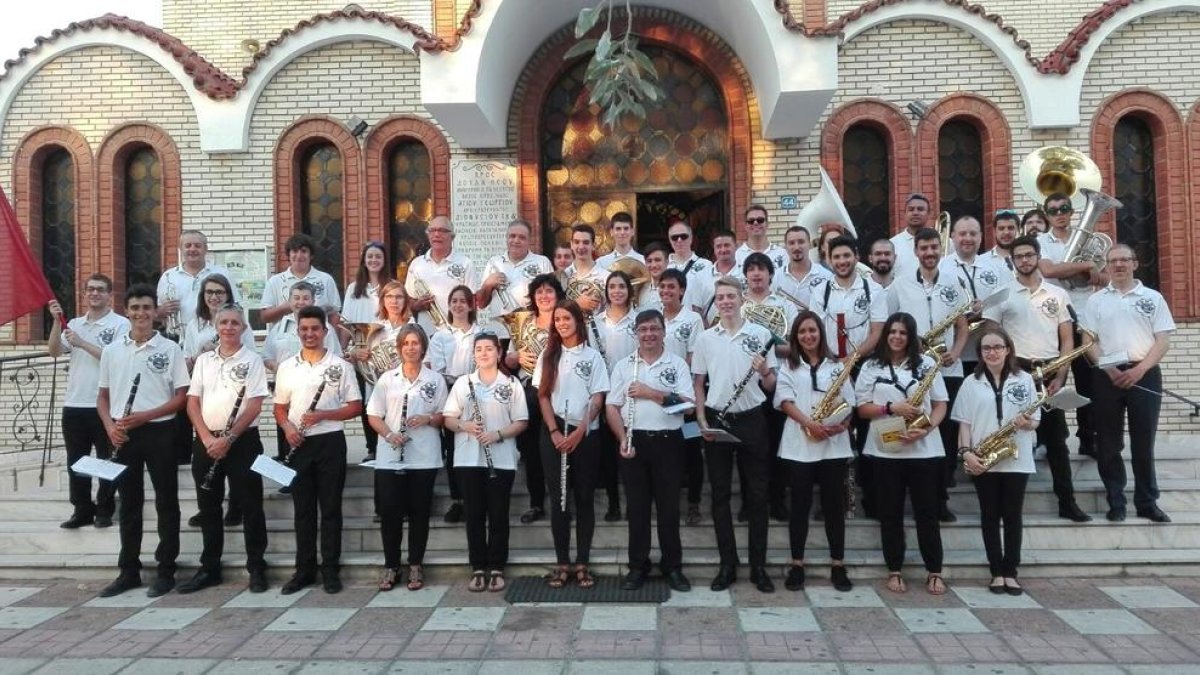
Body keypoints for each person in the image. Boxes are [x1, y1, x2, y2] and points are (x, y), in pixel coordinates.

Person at [982, 235, 1091, 522]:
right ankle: (1007, 507)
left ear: (1037, 256)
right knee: (1012, 436)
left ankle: (1067, 502)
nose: (1025, 260)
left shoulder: (1058, 294)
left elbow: (1067, 339)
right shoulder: (1002, 293)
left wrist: (1062, 373)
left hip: (1051, 371)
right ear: (1012, 260)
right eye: (1019, 256)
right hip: (1015, 371)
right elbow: (992, 338)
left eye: (1030, 255)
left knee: (1056, 441)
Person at [96, 284, 190, 598]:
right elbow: (103, 398)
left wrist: (145, 416)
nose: (140, 313)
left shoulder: (170, 349)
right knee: (129, 504)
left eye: (146, 308)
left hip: (160, 432)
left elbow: (180, 399)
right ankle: (129, 571)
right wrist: (110, 426)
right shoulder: (113, 350)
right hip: (124, 432)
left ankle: (166, 570)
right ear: (127, 311)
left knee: (166, 501)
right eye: (135, 308)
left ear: (155, 312)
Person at [178, 304, 270, 594]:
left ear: (243, 328)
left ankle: (256, 567)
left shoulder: (253, 360)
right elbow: (192, 402)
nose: (229, 327)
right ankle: (210, 569)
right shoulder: (204, 360)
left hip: (242, 442)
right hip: (206, 441)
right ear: (216, 327)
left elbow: (254, 404)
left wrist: (228, 439)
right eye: (224, 322)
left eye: (235, 323)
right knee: (209, 508)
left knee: (251, 507)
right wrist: (206, 438)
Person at [695, 276, 779, 593]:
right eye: (721, 298)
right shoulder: (705, 339)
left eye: (731, 296)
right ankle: (727, 564)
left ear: (742, 299)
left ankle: (758, 566)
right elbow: (698, 383)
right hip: (718, 418)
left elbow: (771, 387)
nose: (726, 302)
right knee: (719, 496)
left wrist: (765, 371)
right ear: (716, 303)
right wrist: (702, 419)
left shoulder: (759, 334)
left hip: (753, 419)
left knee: (757, 496)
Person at [855, 312, 949, 596]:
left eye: (903, 333)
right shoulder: (871, 365)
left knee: (927, 514)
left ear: (910, 337)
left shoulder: (928, 364)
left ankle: (934, 571)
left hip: (923, 449)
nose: (897, 337)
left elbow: (941, 403)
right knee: (890, 514)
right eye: (892, 332)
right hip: (886, 449)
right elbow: (861, 408)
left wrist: (927, 429)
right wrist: (891, 409)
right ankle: (894, 570)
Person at [273, 306, 363, 594]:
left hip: (330, 443)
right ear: (298, 332)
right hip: (298, 443)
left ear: (325, 332)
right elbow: (279, 408)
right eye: (304, 329)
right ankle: (304, 571)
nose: (309, 334)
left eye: (315, 329)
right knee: (303, 511)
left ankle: (331, 570)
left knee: (331, 509)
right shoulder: (287, 367)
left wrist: (325, 414)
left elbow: (355, 407)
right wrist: (287, 428)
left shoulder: (341, 366)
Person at [1083, 244, 1175, 523]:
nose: (1119, 265)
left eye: (1124, 260)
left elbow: (1163, 340)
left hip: (1144, 373)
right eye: (1113, 261)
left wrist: (1141, 370)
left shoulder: (1153, 297)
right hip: (1107, 376)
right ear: (1106, 267)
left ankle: (1147, 502)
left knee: (1143, 441)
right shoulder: (1095, 301)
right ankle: (1116, 501)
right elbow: (1088, 342)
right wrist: (1109, 369)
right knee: (1109, 442)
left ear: (1135, 263)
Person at [606, 309, 695, 593]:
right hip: (634, 441)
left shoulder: (677, 364)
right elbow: (612, 407)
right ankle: (637, 567)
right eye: (643, 330)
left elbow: (688, 405)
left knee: (669, 509)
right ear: (636, 333)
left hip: (669, 442)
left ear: (663, 331)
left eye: (654, 329)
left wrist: (650, 393)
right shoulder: (623, 366)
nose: (648, 334)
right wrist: (621, 438)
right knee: (638, 509)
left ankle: (673, 567)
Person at [889, 227, 969, 523]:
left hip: (948, 368)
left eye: (935, 247)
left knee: (945, 435)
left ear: (941, 248)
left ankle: (941, 498)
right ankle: (912, 495)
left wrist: (957, 352)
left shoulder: (954, 282)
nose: (930, 252)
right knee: (914, 428)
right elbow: (891, 327)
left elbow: (962, 326)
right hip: (913, 370)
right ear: (916, 251)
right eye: (924, 248)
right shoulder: (900, 285)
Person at [954, 326, 1039, 596]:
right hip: (983, 457)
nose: (992, 352)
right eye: (986, 348)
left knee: (1012, 516)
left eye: (997, 347)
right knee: (990, 516)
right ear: (980, 353)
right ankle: (996, 572)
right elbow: (964, 424)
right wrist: (966, 453)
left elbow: (1036, 421)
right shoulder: (971, 382)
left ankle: (1011, 571)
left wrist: (1027, 424)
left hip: (1016, 457)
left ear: (1008, 350)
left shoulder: (1024, 379)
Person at [775, 310, 855, 592]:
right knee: (799, 507)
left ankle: (838, 563)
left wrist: (840, 424)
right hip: (799, 445)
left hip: (833, 446)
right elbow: (785, 401)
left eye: (812, 330)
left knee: (834, 507)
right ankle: (797, 564)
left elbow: (849, 401)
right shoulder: (788, 366)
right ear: (796, 337)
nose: (808, 336)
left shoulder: (837, 365)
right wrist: (810, 424)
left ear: (821, 333)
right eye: (802, 332)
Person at [443, 333, 530, 592]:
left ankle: (497, 567)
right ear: (473, 354)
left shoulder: (512, 384)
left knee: (499, 515)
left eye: (489, 349)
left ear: (499, 353)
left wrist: (497, 434)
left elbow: (522, 421)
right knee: (474, 515)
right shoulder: (462, 383)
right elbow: (448, 418)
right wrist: (465, 425)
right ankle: (478, 567)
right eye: (479, 349)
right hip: (468, 458)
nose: (483, 353)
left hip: (501, 460)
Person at [534, 300, 610, 588]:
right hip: (554, 431)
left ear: (578, 321)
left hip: (585, 434)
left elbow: (598, 398)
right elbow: (542, 396)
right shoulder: (548, 355)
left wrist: (581, 429)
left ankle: (583, 562)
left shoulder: (592, 357)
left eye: (567, 318)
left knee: (584, 498)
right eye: (558, 319)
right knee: (559, 499)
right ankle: (562, 562)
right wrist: (554, 431)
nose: (562, 323)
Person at [367, 324, 448, 591]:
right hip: (391, 456)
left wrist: (427, 418)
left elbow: (445, 417)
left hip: (423, 456)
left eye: (415, 343)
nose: (411, 348)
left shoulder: (434, 379)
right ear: (399, 348)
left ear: (423, 347)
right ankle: (391, 565)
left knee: (419, 514)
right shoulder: (387, 379)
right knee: (390, 513)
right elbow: (373, 416)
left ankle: (415, 564)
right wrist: (390, 435)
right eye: (406, 344)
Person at [810, 236, 888, 516]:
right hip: (829, 367)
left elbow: (878, 332)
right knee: (830, 429)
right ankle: (831, 500)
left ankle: (872, 499)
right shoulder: (820, 291)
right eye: (836, 257)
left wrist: (851, 360)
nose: (842, 262)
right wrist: (833, 361)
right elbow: (815, 331)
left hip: (864, 366)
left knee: (867, 433)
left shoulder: (874, 289)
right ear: (829, 260)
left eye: (846, 256)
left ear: (856, 256)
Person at [48, 274, 129, 529]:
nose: (94, 294)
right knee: (77, 460)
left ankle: (104, 508)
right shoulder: (73, 323)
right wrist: (55, 323)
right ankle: (82, 509)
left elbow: (116, 359)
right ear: (84, 293)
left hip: (104, 404)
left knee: (107, 459)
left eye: (100, 290)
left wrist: (82, 343)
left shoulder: (120, 324)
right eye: (90, 289)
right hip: (74, 402)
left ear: (109, 295)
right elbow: (54, 351)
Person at [181, 274, 255, 527]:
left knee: (242, 482)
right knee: (209, 490)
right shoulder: (194, 325)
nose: (214, 296)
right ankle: (209, 512)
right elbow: (188, 358)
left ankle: (235, 507)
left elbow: (248, 358)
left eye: (219, 292)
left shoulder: (240, 322)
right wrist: (200, 357)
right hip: (207, 395)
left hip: (237, 417)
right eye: (209, 292)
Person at [1037, 192, 1103, 458]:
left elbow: (1103, 277)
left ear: (1071, 211)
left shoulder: (1090, 239)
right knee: (1051, 382)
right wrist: (1086, 265)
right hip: (1054, 321)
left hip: (1086, 321)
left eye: (1064, 208)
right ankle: (1049, 440)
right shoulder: (1041, 241)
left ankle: (1089, 438)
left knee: (1090, 383)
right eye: (1053, 210)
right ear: (1046, 214)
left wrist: (1088, 270)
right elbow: (1049, 271)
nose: (1059, 213)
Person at [505, 274, 565, 524]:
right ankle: (536, 503)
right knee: (532, 450)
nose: (543, 296)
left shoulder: (565, 318)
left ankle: (562, 502)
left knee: (560, 447)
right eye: (538, 292)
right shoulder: (523, 321)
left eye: (549, 291)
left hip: (559, 390)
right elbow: (507, 360)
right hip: (529, 390)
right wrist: (517, 357)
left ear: (557, 294)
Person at [428, 284, 482, 523]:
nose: (459, 305)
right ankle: (457, 499)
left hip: (477, 393)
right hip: (449, 393)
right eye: (454, 301)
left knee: (476, 444)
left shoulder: (481, 333)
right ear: (449, 306)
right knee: (452, 448)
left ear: (471, 305)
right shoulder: (440, 335)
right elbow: (439, 369)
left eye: (463, 300)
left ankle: (476, 498)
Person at [658, 269, 705, 525]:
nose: (666, 291)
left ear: (682, 290)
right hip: (659, 397)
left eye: (671, 287)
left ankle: (694, 503)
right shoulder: (654, 317)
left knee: (691, 451)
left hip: (685, 397)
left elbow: (693, 358)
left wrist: (678, 388)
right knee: (668, 453)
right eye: (662, 287)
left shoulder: (693, 319)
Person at [343, 242, 394, 460]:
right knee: (367, 402)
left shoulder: (392, 286)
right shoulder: (353, 289)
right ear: (364, 260)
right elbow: (346, 324)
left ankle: (389, 442)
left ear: (384, 261)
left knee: (389, 400)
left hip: (387, 353)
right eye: (370, 256)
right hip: (362, 353)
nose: (374, 260)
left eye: (378, 257)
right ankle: (372, 448)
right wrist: (348, 352)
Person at [596, 270, 638, 521]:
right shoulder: (595, 322)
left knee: (632, 449)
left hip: (633, 391)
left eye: (622, 286)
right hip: (606, 391)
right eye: (612, 287)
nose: (617, 291)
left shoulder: (638, 320)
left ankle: (635, 501)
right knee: (609, 452)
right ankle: (613, 503)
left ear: (629, 290)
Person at [156, 229, 239, 339]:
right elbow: (157, 314)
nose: (192, 249)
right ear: (181, 249)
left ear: (206, 249)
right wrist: (162, 311)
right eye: (188, 245)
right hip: (177, 339)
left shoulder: (222, 273)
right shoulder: (168, 276)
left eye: (197, 245)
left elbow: (235, 306)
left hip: (214, 338)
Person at [406, 216, 478, 336]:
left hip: (457, 333)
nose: (436, 234)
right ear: (428, 235)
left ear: (452, 236)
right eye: (432, 231)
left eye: (442, 230)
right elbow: (409, 300)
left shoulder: (465, 263)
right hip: (425, 334)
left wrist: (469, 333)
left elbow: (473, 302)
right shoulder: (416, 264)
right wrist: (417, 305)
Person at [477, 219, 554, 325]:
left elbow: (552, 298)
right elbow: (481, 304)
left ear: (529, 240)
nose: (516, 240)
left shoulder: (542, 262)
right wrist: (487, 285)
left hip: (532, 330)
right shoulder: (493, 263)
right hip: (500, 332)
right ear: (506, 238)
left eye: (522, 237)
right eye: (512, 236)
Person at [261, 233, 341, 326]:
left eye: (304, 251)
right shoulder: (275, 281)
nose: (299, 256)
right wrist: (285, 308)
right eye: (294, 251)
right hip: (284, 338)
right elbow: (264, 317)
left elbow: (334, 315)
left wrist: (334, 339)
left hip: (318, 338)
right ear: (288, 255)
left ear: (311, 255)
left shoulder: (325, 279)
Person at [666, 219, 715, 314]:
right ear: (669, 240)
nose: (679, 240)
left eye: (684, 236)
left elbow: (711, 296)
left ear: (691, 238)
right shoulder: (664, 266)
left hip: (697, 322)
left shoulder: (706, 265)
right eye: (674, 237)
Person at [779, 225, 831, 313]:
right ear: (786, 247)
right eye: (791, 243)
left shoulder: (827, 276)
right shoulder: (775, 277)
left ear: (809, 245)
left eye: (801, 242)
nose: (796, 247)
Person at [565, 224, 609, 314]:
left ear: (593, 245)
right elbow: (556, 309)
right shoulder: (563, 276)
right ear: (571, 245)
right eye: (577, 242)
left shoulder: (606, 277)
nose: (581, 247)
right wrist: (576, 303)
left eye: (586, 242)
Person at [735, 205, 788, 273]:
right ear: (745, 226)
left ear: (767, 224)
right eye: (751, 221)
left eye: (760, 220)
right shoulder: (736, 256)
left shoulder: (782, 254)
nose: (755, 223)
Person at [890, 194, 933, 278]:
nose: (915, 213)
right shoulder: (893, 244)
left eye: (920, 209)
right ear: (904, 214)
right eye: (911, 209)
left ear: (929, 214)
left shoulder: (944, 241)